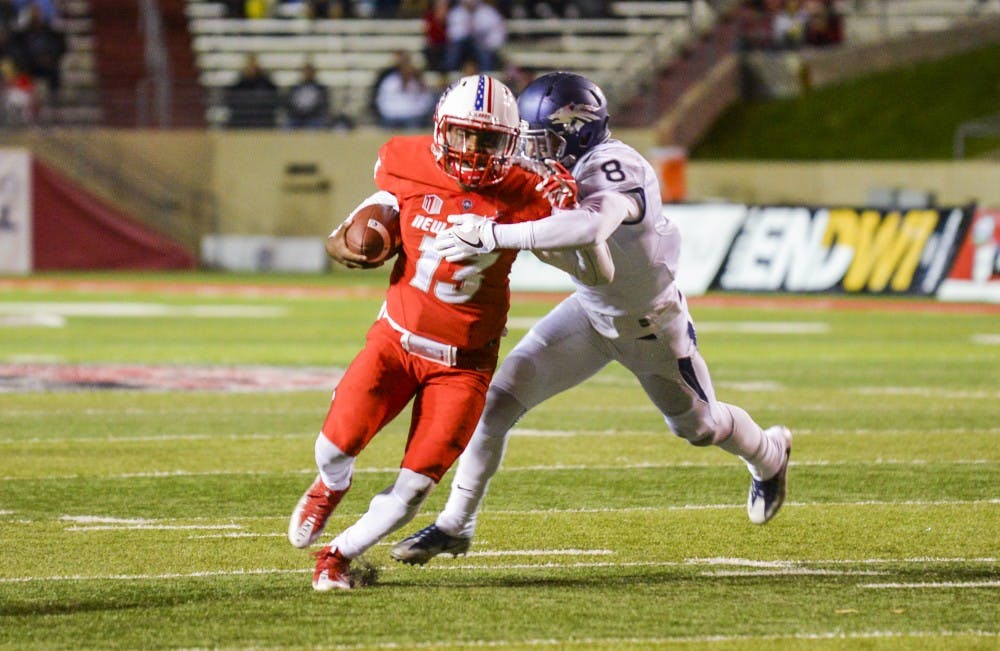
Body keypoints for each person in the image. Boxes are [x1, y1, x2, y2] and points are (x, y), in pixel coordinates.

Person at [390, 72, 793, 565]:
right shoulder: (549, 165)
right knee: (495, 405)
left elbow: (591, 225)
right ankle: (456, 525)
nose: (532, 152)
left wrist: (494, 236)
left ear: (577, 130)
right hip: (589, 310)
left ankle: (769, 454)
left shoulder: (616, 165)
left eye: (542, 140)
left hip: (648, 324)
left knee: (700, 427)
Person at [287, 73, 590, 591]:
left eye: (487, 139)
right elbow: (360, 222)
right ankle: (331, 485)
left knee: (413, 489)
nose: (471, 149)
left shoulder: (530, 190)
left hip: (464, 366)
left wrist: (566, 207)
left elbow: (584, 254)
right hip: (394, 343)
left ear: (510, 142)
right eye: (462, 134)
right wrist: (349, 244)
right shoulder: (405, 160)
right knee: (334, 447)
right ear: (440, 129)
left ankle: (336, 557)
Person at [445, 0, 506, 72]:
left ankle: (486, 71)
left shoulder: (487, 12)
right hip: (462, 46)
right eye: (466, 2)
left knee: (481, 49)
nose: (469, 4)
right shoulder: (456, 13)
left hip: (482, 45)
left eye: (471, 1)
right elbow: (453, 34)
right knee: (455, 49)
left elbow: (496, 32)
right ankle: (450, 70)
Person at [372, 50, 436, 128]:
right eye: (403, 67)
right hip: (391, 116)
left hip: (413, 117)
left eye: (407, 66)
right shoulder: (390, 82)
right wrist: (391, 112)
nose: (406, 70)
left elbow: (426, 100)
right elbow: (382, 101)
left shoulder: (418, 83)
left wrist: (417, 112)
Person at [224, 53, 279, 128]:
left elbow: (274, 98)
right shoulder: (240, 83)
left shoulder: (266, 82)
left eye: (253, 64)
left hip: (263, 119)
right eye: (249, 65)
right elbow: (231, 100)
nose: (251, 67)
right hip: (243, 119)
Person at [285, 61, 329, 129]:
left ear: (314, 73)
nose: (308, 73)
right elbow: (290, 103)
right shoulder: (295, 88)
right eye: (306, 71)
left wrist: (310, 113)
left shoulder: (320, 88)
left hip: (314, 117)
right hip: (297, 117)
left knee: (316, 126)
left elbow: (323, 105)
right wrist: (298, 113)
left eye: (310, 71)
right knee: (287, 127)